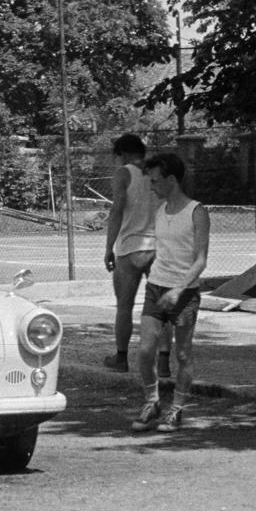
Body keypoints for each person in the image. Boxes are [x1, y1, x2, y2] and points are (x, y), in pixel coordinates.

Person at [132, 152, 210, 432]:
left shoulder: (197, 212)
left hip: (184, 292)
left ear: (172, 180)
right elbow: (165, 250)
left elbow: (200, 260)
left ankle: (176, 410)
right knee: (144, 350)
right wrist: (148, 261)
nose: (151, 187)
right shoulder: (160, 211)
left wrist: (178, 290)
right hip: (156, 286)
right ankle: (152, 402)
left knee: (183, 355)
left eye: (155, 181)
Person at [102, 133, 170, 382]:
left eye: (117, 156)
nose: (117, 162)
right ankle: (163, 363)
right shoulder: (159, 171)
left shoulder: (124, 173)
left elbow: (117, 209)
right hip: (159, 247)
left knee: (124, 306)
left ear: (124, 153)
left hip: (130, 248)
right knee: (161, 307)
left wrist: (109, 246)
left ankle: (121, 358)